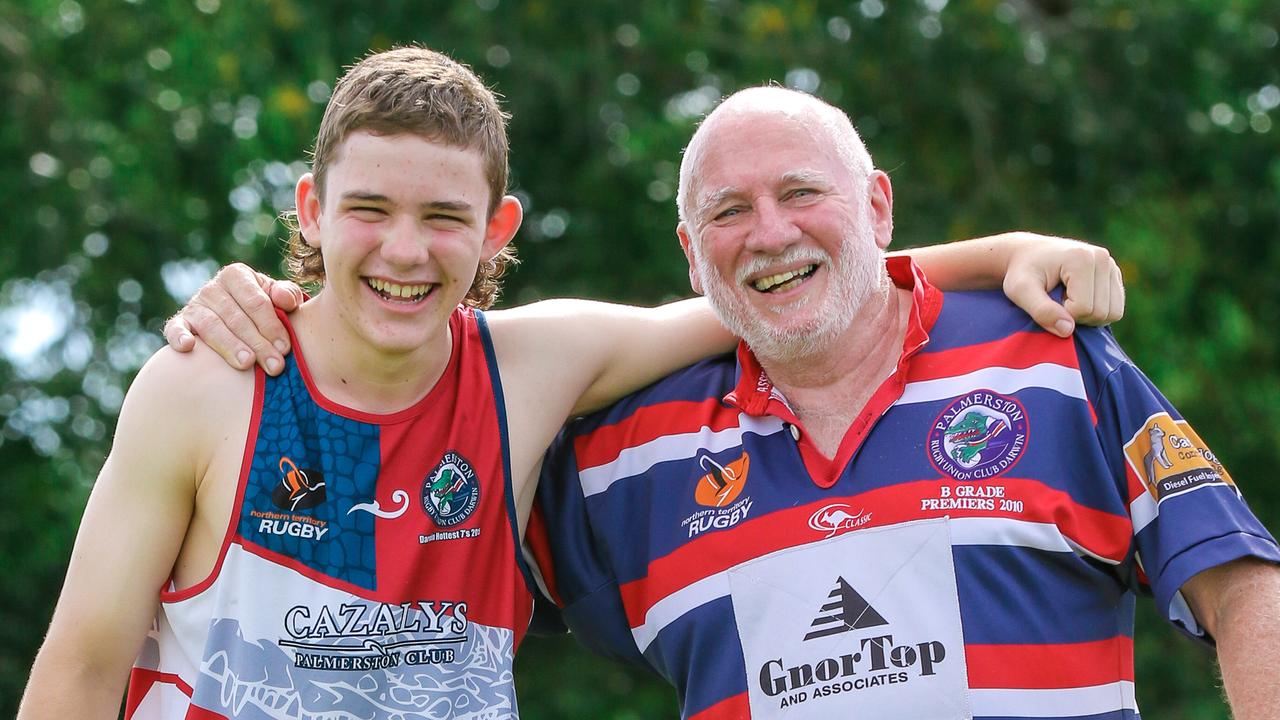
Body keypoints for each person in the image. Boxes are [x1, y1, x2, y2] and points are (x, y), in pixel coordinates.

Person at [64, 55, 1128, 720]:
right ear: (308, 208)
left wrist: (1009, 248)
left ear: (496, 231)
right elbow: (80, 671)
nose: (404, 249)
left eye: (442, 218)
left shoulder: (529, 366)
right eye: (367, 209)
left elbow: (773, 293)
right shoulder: (210, 381)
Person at [523, 87, 1280, 720]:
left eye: (801, 192)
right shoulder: (623, 457)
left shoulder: (1051, 360)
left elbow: (1242, 584)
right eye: (728, 212)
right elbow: (435, 576)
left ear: (878, 208)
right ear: (692, 254)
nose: (771, 232)